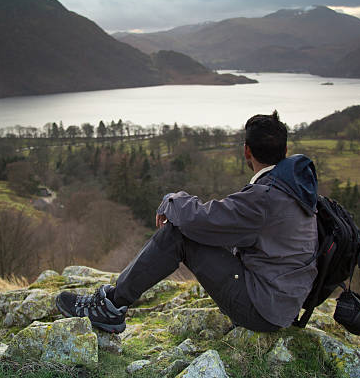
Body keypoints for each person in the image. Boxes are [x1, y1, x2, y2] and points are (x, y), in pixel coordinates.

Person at [56, 112, 318, 334]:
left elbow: (200, 220)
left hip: (262, 309)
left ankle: (109, 307)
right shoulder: (296, 189)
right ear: (285, 151)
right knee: (196, 231)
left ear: (246, 151)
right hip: (283, 300)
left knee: (179, 234)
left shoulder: (265, 197)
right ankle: (112, 303)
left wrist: (171, 200)